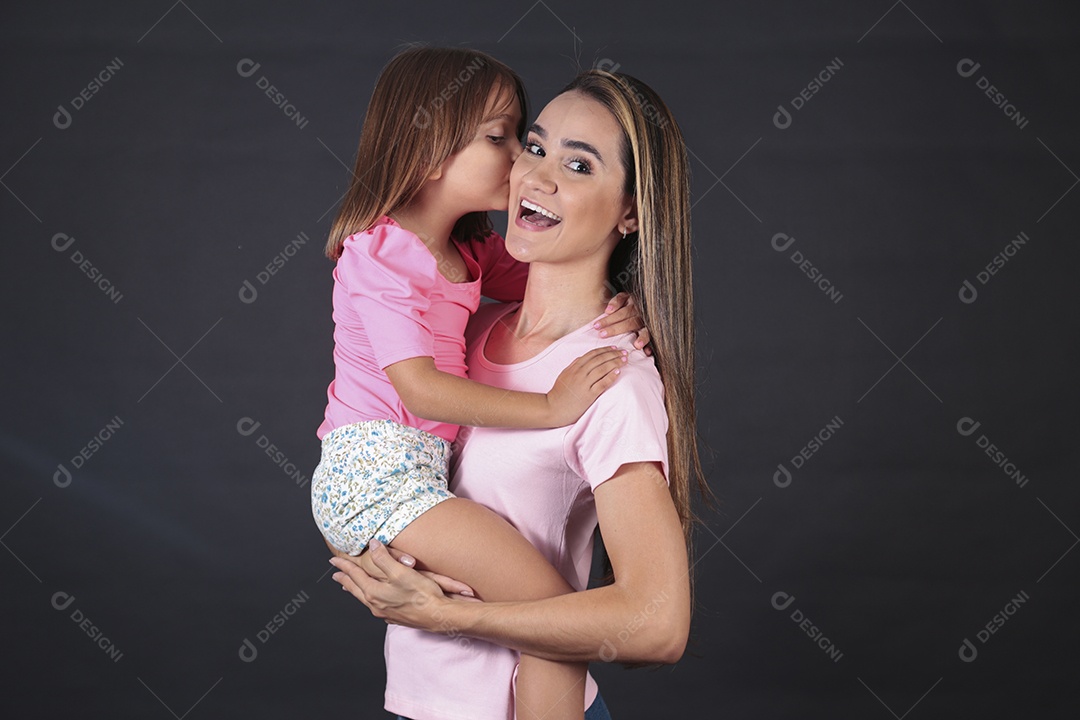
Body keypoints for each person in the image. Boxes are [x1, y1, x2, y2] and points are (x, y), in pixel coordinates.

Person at [330, 69, 710, 720]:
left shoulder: (610, 383)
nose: (535, 174)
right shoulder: (463, 331)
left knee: (546, 599)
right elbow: (378, 471)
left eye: (579, 164)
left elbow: (657, 625)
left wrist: (448, 615)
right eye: (534, 147)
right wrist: (368, 557)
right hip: (419, 706)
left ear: (631, 211)